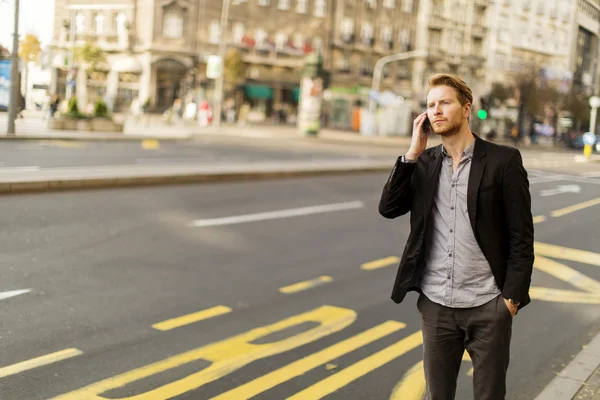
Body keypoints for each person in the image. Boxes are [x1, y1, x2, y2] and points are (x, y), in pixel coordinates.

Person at [379, 73, 534, 400]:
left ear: (466, 109)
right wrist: (412, 153)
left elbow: (521, 237)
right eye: (430, 105)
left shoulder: (503, 161)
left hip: (487, 305)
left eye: (444, 102)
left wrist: (510, 301)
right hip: (436, 306)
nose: (436, 110)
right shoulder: (424, 163)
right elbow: (389, 208)